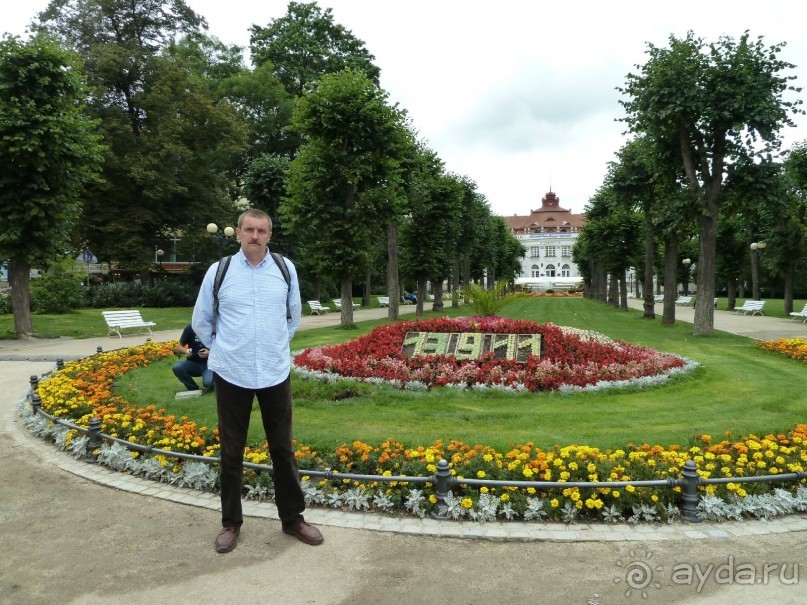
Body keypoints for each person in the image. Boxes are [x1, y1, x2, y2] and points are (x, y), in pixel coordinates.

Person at [192, 209, 323, 553]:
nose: (255, 235)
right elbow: (202, 320)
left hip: (273, 372)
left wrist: (274, 344)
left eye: (261, 230)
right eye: (249, 229)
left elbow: (293, 317)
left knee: (283, 449)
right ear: (238, 233)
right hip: (231, 372)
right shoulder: (219, 271)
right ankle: (231, 523)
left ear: (269, 234)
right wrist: (222, 348)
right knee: (231, 451)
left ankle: (293, 519)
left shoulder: (284, 269)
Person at [171, 324, 213, 392]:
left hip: (210, 364)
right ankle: (193, 388)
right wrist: (186, 351)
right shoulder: (190, 327)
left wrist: (210, 353)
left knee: (208, 383)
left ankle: (217, 382)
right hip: (193, 363)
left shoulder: (213, 327)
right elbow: (179, 346)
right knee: (177, 367)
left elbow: (223, 348)